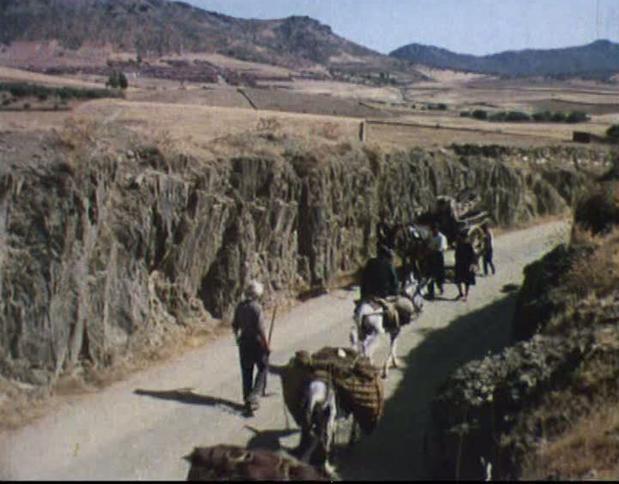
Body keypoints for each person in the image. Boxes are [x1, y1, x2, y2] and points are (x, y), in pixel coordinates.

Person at [232, 280, 270, 416]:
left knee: (246, 371)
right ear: (256, 295)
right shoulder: (256, 308)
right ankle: (255, 394)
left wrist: (237, 338)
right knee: (263, 367)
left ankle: (247, 399)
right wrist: (266, 345)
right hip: (256, 342)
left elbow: (234, 325)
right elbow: (260, 329)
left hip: (244, 342)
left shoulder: (240, 306)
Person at [426, 224, 447, 300]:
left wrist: (433, 249)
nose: (433, 231)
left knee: (439, 275)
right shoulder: (430, 235)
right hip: (430, 257)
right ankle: (431, 292)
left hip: (438, 257)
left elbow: (441, 248)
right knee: (429, 275)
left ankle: (440, 286)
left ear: (437, 229)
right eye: (432, 230)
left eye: (434, 230)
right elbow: (428, 243)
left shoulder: (441, 237)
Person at [455, 232, 477, 302]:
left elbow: (473, 256)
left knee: (467, 281)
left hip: (467, 265)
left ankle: (466, 295)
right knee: (457, 280)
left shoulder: (469, 245)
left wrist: (472, 264)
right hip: (459, 264)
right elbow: (456, 255)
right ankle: (460, 293)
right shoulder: (459, 245)